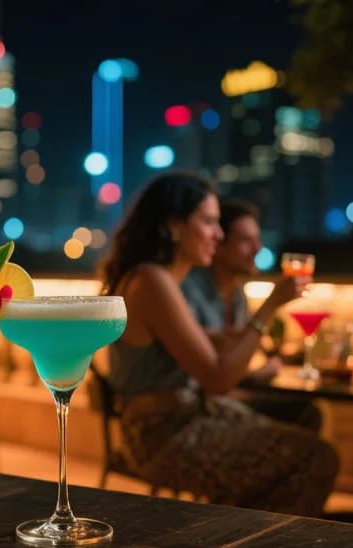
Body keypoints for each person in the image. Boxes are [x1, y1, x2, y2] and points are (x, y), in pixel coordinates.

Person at [102, 172, 338, 516]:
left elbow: (203, 346)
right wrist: (270, 307)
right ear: (175, 226)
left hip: (185, 418)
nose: (219, 234)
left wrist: (231, 336)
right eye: (210, 222)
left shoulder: (157, 279)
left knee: (304, 429)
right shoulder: (153, 281)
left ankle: (241, 533)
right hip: (163, 437)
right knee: (316, 457)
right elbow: (218, 379)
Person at [180, 198, 322, 431]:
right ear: (219, 245)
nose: (258, 248)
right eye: (247, 240)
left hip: (225, 394)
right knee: (304, 417)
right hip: (198, 405)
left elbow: (227, 355)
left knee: (307, 411)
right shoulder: (186, 290)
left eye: (258, 239)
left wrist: (253, 375)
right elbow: (206, 371)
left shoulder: (237, 295)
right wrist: (273, 303)